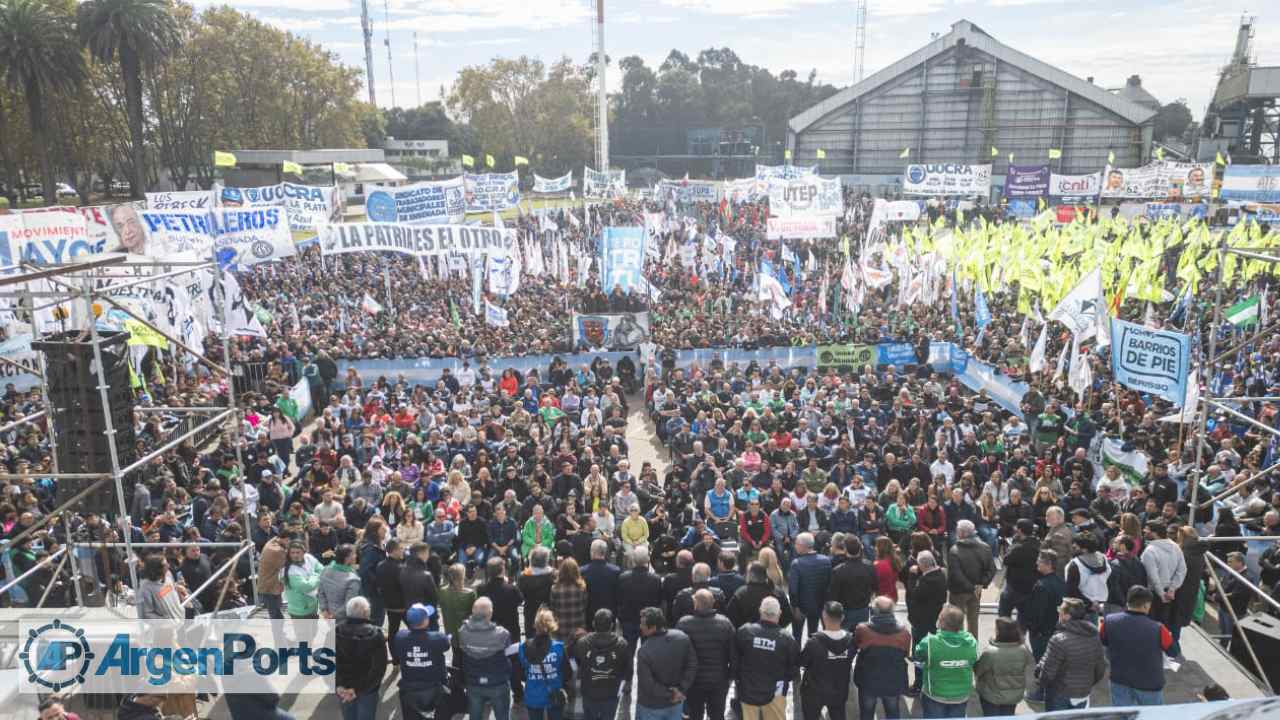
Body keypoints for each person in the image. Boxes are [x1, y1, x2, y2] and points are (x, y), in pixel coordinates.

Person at [1100, 586, 1174, 706]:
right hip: (1149, 684)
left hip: (1119, 679)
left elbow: (1104, 641)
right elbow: (1172, 650)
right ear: (1146, 606)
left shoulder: (1108, 621)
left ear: (1127, 602)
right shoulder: (1158, 628)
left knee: (1123, 715)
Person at [734, 596, 800, 720]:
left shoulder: (745, 631)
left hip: (748, 691)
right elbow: (794, 669)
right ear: (779, 613)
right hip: (776, 692)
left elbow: (735, 660)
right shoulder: (787, 639)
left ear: (760, 611)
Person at [676, 589, 737, 720]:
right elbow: (733, 654)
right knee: (717, 715)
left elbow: (678, 654)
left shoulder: (684, 624)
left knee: (695, 714)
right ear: (713, 603)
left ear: (695, 603)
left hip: (694, 681)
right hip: (718, 680)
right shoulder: (725, 623)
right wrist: (731, 675)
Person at [1036, 597, 1106, 712]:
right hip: (1083, 693)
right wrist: (1086, 684)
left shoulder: (1058, 640)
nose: (1059, 614)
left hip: (1059, 694)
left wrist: (1041, 682)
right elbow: (1100, 669)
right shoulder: (1094, 636)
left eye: (1060, 612)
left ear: (1067, 616)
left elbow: (1047, 674)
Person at [914, 605, 978, 719]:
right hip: (961, 696)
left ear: (942, 623)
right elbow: (973, 660)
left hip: (935, 695)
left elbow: (918, 654)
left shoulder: (929, 642)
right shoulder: (971, 642)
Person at [853, 596, 911, 720]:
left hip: (868, 680)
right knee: (893, 712)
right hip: (893, 680)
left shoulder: (862, 629)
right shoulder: (904, 633)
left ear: (874, 610)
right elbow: (905, 653)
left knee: (866, 713)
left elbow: (855, 645)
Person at [636, 606, 698, 720]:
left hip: (651, 706)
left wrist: (671, 694)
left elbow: (648, 684)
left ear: (653, 627)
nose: (640, 627)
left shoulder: (644, 651)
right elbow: (692, 665)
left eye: (643, 624)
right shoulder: (682, 638)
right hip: (676, 704)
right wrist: (680, 690)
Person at [391, 603, 450, 720]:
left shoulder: (399, 637)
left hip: (409, 687)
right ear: (425, 621)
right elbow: (446, 645)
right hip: (434, 687)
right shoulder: (438, 637)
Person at [458, 596, 514, 720]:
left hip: (473, 682)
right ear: (490, 613)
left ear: (473, 612)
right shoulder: (502, 634)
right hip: (497, 682)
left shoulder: (462, 631)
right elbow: (508, 652)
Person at [799, 601, 855, 720]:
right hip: (839, 691)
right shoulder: (851, 641)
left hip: (814, 692)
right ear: (843, 617)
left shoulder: (813, 642)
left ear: (824, 616)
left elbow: (802, 662)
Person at [574, 609, 633, 720]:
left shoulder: (582, 643)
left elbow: (579, 662)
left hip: (589, 693)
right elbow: (628, 671)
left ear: (593, 624)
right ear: (611, 625)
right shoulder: (622, 644)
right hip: (611, 693)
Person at [336, 596, 388, 720]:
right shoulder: (376, 635)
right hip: (368, 690)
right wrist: (357, 689)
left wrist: (338, 685)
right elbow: (379, 669)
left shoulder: (334, 632)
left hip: (343, 689)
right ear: (366, 613)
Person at [974, 617, 1033, 717]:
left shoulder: (990, 652)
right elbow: (1029, 669)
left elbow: (978, 670)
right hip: (1013, 696)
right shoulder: (1024, 650)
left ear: (999, 632)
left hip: (991, 697)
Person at [906, 550, 946, 695]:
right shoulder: (940, 575)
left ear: (922, 565)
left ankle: (918, 684)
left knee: (920, 654)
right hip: (932, 620)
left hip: (922, 623)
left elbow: (912, 593)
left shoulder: (927, 581)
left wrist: (911, 576)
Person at [520, 607, 572, 720]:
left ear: (535, 625)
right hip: (554, 693)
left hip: (533, 695)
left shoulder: (524, 647)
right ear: (552, 625)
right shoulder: (558, 647)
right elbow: (568, 673)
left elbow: (521, 673)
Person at [947, 520, 995, 637]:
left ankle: (959, 648)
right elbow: (992, 569)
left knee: (956, 623)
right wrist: (981, 584)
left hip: (958, 592)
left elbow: (956, 574)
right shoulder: (985, 547)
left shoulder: (954, 550)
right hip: (976, 591)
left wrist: (972, 587)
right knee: (973, 622)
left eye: (958, 531)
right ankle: (972, 649)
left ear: (963, 533)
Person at [1140, 520, 1186, 631]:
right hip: (1171, 595)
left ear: (1155, 533)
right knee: (1164, 630)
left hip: (1154, 596)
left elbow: (1153, 576)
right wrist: (1172, 589)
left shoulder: (1149, 551)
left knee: (1151, 629)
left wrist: (1162, 594)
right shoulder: (1176, 547)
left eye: (1147, 531)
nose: (1144, 532)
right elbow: (1182, 570)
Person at [619, 546, 665, 657]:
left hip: (628, 620)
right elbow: (659, 601)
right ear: (648, 559)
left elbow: (618, 599)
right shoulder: (656, 579)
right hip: (649, 621)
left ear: (633, 560)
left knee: (628, 655)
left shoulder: (623, 578)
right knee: (648, 655)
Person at [788, 532, 832, 644]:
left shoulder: (796, 564)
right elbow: (829, 584)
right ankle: (811, 657)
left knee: (796, 636)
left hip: (801, 607)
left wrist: (795, 607)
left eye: (796, 543)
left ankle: (797, 659)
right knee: (813, 635)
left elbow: (793, 590)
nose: (795, 546)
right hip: (818, 605)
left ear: (803, 546)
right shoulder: (826, 560)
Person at [1024, 550, 1065, 663]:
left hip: (1042, 635)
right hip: (1056, 630)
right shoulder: (1061, 582)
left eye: (1039, 561)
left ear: (1048, 565)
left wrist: (1033, 629)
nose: (1037, 563)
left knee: (1042, 665)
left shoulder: (1041, 586)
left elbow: (1037, 612)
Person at [827, 535, 876, 629]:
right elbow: (875, 587)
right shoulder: (869, 566)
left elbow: (833, 595)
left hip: (845, 611)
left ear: (845, 550)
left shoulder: (838, 570)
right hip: (863, 609)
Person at [999, 519, 1039, 621]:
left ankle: (1004, 634)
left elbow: (1006, 560)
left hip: (1014, 587)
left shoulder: (1018, 547)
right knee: (1024, 619)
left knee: (1004, 615)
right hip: (1031, 586)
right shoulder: (1038, 544)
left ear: (1020, 530)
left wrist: (1012, 546)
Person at [582, 538, 622, 622]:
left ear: (591, 552)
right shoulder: (615, 571)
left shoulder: (582, 571)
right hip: (610, 615)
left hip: (589, 616)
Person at [318, 544, 361, 622]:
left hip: (328, 616)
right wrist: (333, 616)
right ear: (347, 558)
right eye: (354, 554)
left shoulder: (325, 570)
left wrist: (324, 610)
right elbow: (349, 604)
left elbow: (321, 592)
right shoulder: (353, 579)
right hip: (344, 620)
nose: (356, 556)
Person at [258, 531, 289, 619]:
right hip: (269, 586)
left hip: (271, 584)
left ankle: (279, 631)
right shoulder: (277, 550)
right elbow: (287, 563)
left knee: (276, 611)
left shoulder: (273, 542)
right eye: (288, 541)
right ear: (285, 539)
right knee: (275, 614)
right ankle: (278, 632)